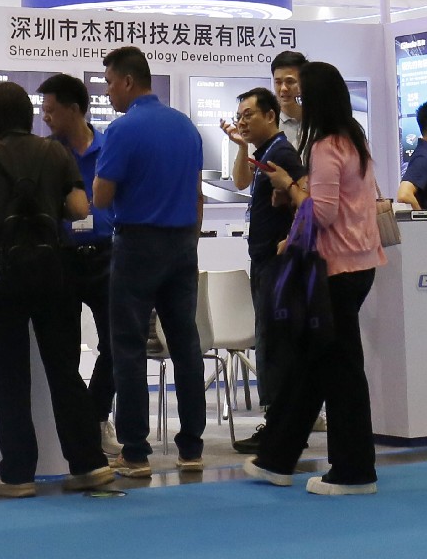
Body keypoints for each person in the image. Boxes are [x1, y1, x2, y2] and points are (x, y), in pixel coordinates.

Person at [0, 81, 116, 498]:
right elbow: (80, 209)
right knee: (64, 371)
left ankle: (17, 474)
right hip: (53, 273)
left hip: (2, 277)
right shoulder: (56, 153)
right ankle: (88, 464)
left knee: (10, 376)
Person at [245, 61, 386, 496]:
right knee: (311, 364)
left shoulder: (325, 147)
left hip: (335, 270)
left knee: (340, 372)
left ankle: (354, 471)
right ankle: (277, 458)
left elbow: (322, 212)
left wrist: (289, 188)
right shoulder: (353, 139)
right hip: (359, 264)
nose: (292, 98)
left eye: (299, 94)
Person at [94, 45, 206, 479]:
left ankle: (136, 453)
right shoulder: (186, 127)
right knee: (186, 344)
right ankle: (191, 448)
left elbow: (101, 197)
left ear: (127, 81)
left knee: (128, 346)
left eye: (109, 83)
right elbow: (196, 195)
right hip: (182, 243)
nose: (107, 92)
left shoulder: (122, 130)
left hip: (137, 244)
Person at [36, 73, 118, 455]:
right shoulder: (46, 153)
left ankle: (96, 416)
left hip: (107, 256)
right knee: (64, 352)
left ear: (73, 109)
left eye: (50, 110)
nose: (45, 117)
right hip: (62, 258)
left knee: (116, 345)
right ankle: (77, 434)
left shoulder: (111, 147)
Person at [221, 86, 303, 452]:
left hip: (278, 262)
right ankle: (281, 425)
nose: (242, 122)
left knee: (275, 343)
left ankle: (279, 428)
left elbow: (304, 198)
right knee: (271, 341)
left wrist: (291, 239)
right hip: (264, 260)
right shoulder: (265, 153)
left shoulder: (282, 153)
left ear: (271, 116)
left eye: (249, 115)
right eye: (239, 116)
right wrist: (241, 146)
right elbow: (239, 182)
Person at [271, 51, 307, 146]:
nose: (283, 88)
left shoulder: (319, 123)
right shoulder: (267, 125)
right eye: (278, 82)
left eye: (290, 81)